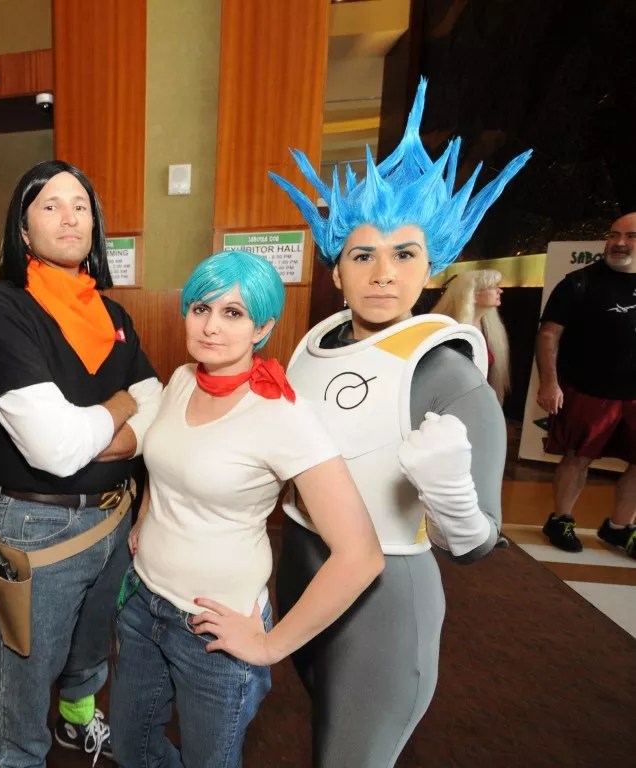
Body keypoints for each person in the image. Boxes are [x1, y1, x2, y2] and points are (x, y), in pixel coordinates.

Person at [268, 77, 528, 767]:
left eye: (404, 254)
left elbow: (477, 545)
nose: (383, 273)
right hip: (302, 570)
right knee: (324, 729)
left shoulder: (445, 372)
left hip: (385, 596)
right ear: (337, 272)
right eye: (363, 255)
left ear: (430, 265)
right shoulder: (312, 347)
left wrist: (452, 498)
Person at [109, 250, 384, 768]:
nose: (211, 326)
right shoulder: (183, 378)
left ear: (263, 327)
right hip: (143, 601)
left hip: (214, 629)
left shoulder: (283, 415)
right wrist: (146, 516)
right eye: (201, 308)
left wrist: (269, 647)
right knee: (132, 749)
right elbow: (166, 464)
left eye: (233, 313)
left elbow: (361, 555)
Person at [0, 160, 162, 767]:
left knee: (91, 651)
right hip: (37, 527)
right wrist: (123, 406)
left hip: (114, 517)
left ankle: (77, 722)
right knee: (20, 692)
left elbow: (158, 403)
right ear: (23, 230)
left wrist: (108, 435)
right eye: (50, 205)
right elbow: (55, 450)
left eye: (81, 206)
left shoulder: (113, 315)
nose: (70, 217)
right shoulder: (1, 310)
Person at [536, 212, 636, 557]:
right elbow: (548, 334)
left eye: (631, 236)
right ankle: (560, 520)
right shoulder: (579, 283)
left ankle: (619, 529)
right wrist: (549, 382)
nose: (619, 243)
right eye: (614, 234)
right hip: (589, 391)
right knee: (577, 458)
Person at [433, 269, 510, 404]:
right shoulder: (448, 333)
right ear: (473, 294)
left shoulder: (490, 330)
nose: (500, 291)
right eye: (492, 287)